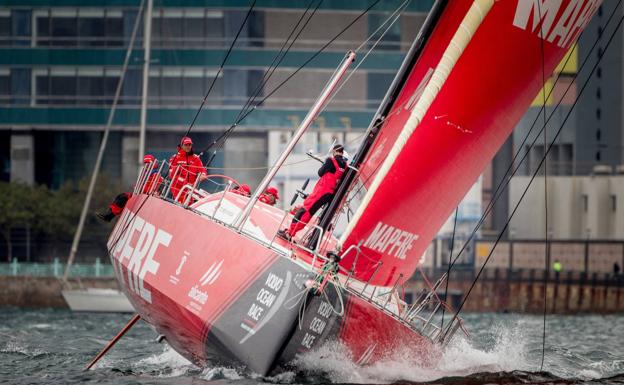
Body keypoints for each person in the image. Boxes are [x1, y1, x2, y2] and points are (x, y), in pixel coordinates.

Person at [277, 144, 346, 241]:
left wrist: (325, 165)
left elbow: (320, 173)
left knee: (305, 211)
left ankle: (289, 233)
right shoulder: (345, 165)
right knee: (310, 212)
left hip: (321, 191)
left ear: (334, 151)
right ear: (342, 152)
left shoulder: (331, 160)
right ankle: (294, 233)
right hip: (330, 193)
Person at [96, 154, 162, 222]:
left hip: (145, 197)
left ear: (152, 164)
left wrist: (139, 187)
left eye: (147, 164)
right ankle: (108, 215)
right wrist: (138, 187)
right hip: (140, 195)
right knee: (121, 197)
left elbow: (151, 189)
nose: (146, 166)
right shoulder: (147, 173)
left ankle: (109, 216)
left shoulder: (155, 175)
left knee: (123, 198)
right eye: (145, 164)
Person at [168, 136, 207, 203]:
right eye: (186, 145)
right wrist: (185, 183)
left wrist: (203, 174)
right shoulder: (175, 158)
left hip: (191, 189)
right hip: (177, 189)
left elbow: (202, 169)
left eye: (190, 145)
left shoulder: (196, 158)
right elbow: (172, 175)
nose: (188, 146)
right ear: (182, 145)